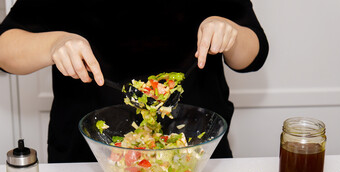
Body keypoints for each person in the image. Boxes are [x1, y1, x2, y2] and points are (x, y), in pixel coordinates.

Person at [0, 0, 268, 163]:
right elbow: (4, 47)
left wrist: (229, 31)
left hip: (197, 156)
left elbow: (252, 55)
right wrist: (53, 44)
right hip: (87, 159)